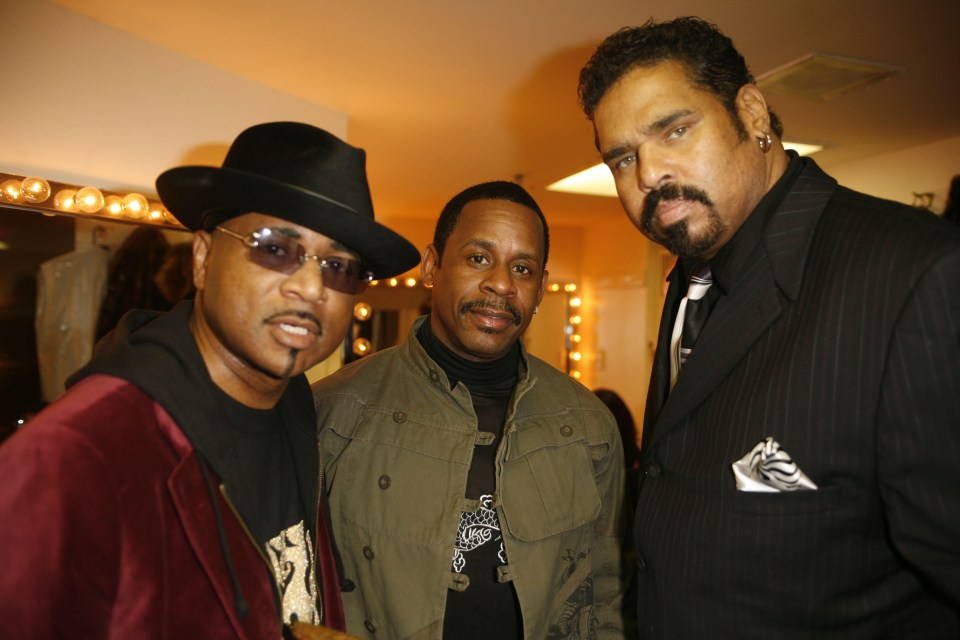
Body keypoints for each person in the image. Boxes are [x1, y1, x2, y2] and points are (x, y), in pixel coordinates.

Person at [577, 16, 960, 639]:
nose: (647, 173)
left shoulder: (916, 275)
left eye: (674, 129)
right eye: (622, 158)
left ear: (752, 113)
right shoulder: (690, 279)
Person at [0, 121, 420, 639]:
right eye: (273, 247)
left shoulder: (292, 405)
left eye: (339, 266)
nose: (312, 287)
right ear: (202, 258)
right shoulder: (74, 456)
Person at [313, 180, 629, 639]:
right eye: (478, 258)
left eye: (522, 268)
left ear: (541, 289)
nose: (501, 283)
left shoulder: (587, 425)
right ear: (432, 265)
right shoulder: (334, 411)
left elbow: (608, 598)